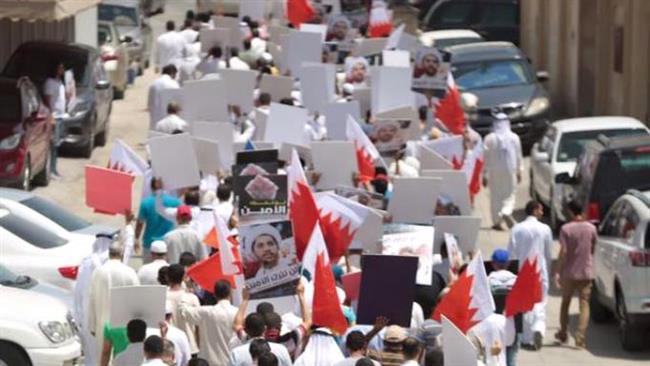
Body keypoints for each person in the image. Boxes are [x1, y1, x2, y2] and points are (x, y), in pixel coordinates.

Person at [507, 201, 552, 350]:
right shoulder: (545, 229)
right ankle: (538, 327)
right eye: (541, 209)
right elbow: (548, 253)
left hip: (522, 271)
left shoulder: (517, 229)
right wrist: (548, 270)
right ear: (535, 210)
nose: (543, 212)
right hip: (540, 270)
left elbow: (511, 253)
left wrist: (511, 272)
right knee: (540, 301)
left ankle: (527, 338)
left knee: (525, 304)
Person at [554, 200, 598, 348]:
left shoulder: (566, 229)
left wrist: (558, 271)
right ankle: (580, 337)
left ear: (571, 212)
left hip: (569, 273)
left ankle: (563, 333)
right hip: (586, 272)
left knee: (565, 303)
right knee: (584, 304)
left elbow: (564, 252)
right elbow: (593, 247)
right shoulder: (591, 228)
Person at [88, 242, 139, 363]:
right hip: (124, 326)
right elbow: (137, 298)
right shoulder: (130, 272)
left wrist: (92, 325)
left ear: (109, 254)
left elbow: (92, 299)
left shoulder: (98, 272)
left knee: (103, 356)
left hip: (102, 322)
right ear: (121, 254)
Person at [74, 233, 113, 366]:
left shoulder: (86, 262)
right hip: (107, 310)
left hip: (87, 310)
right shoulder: (111, 265)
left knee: (90, 350)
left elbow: (78, 290)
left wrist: (78, 313)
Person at [179, 280, 238, 365]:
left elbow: (183, 311)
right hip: (231, 362)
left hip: (208, 362)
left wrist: (186, 294)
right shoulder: (238, 313)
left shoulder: (206, 312)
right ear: (230, 293)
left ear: (214, 294)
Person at [483, 113, 523, 230]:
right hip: (510, 170)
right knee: (510, 193)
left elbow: (485, 157)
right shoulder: (514, 137)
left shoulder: (489, 138)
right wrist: (520, 171)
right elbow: (518, 156)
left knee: (495, 195)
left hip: (494, 171)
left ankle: (497, 221)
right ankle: (506, 211)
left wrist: (484, 174)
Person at [136, 177, 181, 263]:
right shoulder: (175, 202)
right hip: (168, 243)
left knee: (148, 272)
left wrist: (136, 238)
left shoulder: (145, 202)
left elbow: (140, 223)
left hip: (149, 243)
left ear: (151, 187)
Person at [228, 310, 292, 366]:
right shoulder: (281, 349)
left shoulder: (236, 353)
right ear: (265, 328)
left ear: (245, 330)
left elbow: (236, 325)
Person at [166, 264, 201, 356]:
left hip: (169, 345)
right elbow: (198, 324)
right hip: (190, 346)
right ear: (183, 277)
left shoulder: (162, 296)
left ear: (167, 277)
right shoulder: (192, 298)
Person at [43, 61, 66, 177]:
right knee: (53, 144)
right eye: (60, 67)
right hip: (54, 117)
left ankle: (54, 169)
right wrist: (50, 115)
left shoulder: (60, 82)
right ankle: (51, 170)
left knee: (57, 144)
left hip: (61, 116)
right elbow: (47, 100)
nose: (62, 70)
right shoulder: (50, 83)